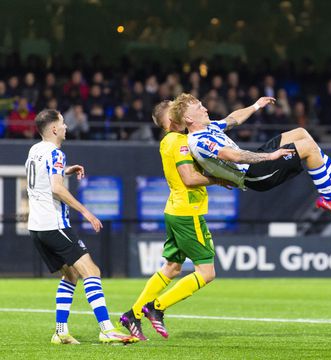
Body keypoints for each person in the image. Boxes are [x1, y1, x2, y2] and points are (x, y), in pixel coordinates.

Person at [119, 100, 232, 340]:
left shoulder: (167, 141)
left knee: (171, 268)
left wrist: (254, 107)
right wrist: (219, 179)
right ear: (172, 120)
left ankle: (133, 314)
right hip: (188, 212)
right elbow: (190, 179)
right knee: (207, 272)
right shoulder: (180, 143)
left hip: (174, 209)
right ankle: (156, 308)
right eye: (176, 109)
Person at [26, 109, 137, 345]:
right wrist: (86, 212)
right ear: (54, 129)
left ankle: (61, 331)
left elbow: (44, 179)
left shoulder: (35, 150)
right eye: (63, 123)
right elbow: (56, 188)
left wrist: (66, 171)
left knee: (71, 274)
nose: (66, 127)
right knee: (92, 271)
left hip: (36, 226)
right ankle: (107, 329)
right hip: (54, 224)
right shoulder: (56, 153)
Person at [170, 93, 331, 219]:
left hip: (253, 163)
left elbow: (232, 119)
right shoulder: (198, 141)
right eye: (199, 108)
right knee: (307, 148)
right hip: (252, 175)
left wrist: (256, 105)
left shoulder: (209, 126)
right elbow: (233, 156)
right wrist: (270, 157)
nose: (205, 109)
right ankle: (329, 197)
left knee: (301, 133)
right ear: (188, 118)